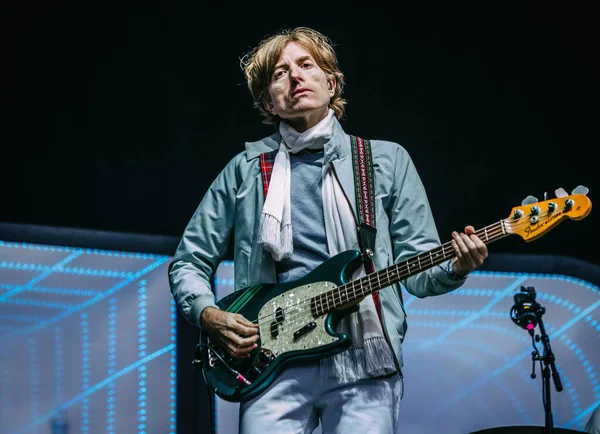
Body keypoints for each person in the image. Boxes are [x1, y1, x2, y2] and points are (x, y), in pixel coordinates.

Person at [168, 27, 488, 434]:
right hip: (269, 361)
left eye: (306, 65)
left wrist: (456, 267)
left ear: (331, 82)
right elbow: (189, 260)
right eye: (280, 73)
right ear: (269, 100)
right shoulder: (246, 169)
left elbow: (419, 270)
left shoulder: (384, 161)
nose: (296, 77)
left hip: (363, 357)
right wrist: (209, 315)